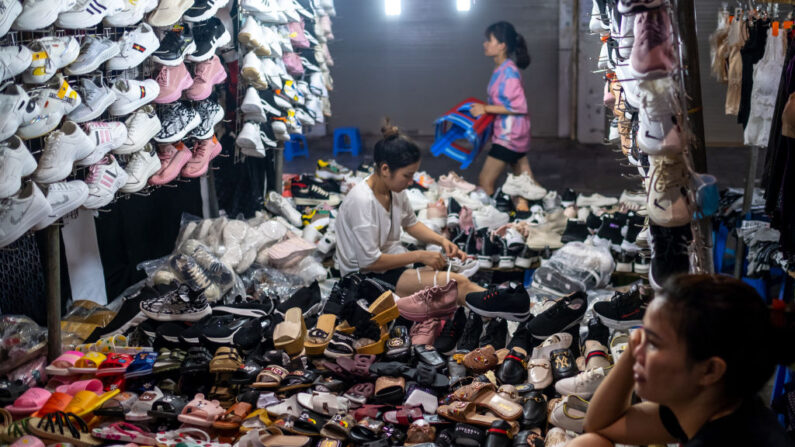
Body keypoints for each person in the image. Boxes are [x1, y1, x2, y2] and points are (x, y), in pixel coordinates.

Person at [571, 274, 795, 447]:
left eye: (654, 344)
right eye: (640, 335)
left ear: (710, 371)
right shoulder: (716, 405)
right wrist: (632, 351)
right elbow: (600, 425)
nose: (638, 348)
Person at [334, 122, 492, 304]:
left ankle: (507, 310)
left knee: (454, 280)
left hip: (390, 264)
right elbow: (370, 262)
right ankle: (518, 312)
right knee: (458, 284)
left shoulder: (394, 190)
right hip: (363, 278)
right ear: (385, 169)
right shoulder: (362, 201)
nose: (410, 182)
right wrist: (419, 256)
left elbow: (411, 224)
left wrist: (442, 241)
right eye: (407, 175)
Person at [470, 21, 541, 212]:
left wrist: (486, 109)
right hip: (513, 134)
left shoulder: (509, 72)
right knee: (525, 188)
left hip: (509, 137)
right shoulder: (502, 69)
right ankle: (533, 216)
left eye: (489, 40)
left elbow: (517, 106)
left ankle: (494, 217)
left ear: (502, 45)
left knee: (485, 181)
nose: (485, 44)